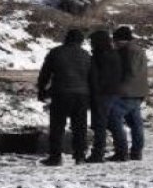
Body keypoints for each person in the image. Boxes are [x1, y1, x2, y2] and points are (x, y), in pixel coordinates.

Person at [37, 29, 92, 166]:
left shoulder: (55, 52)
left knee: (57, 126)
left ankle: (55, 157)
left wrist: (42, 90)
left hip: (61, 93)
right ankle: (80, 155)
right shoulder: (86, 55)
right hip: (81, 95)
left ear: (66, 38)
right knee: (80, 127)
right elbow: (91, 77)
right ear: (80, 41)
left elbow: (45, 73)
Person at [111, 26, 149, 161]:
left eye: (115, 41)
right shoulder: (139, 50)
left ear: (121, 40)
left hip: (125, 92)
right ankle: (137, 152)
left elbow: (128, 71)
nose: (113, 44)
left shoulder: (126, 51)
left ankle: (121, 151)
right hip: (139, 92)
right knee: (136, 123)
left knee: (113, 119)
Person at [87, 30, 122, 163]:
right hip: (114, 92)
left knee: (99, 125)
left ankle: (98, 153)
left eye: (92, 42)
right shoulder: (114, 54)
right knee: (114, 123)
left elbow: (96, 77)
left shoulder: (99, 56)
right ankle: (122, 150)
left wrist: (94, 94)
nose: (91, 44)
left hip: (102, 94)